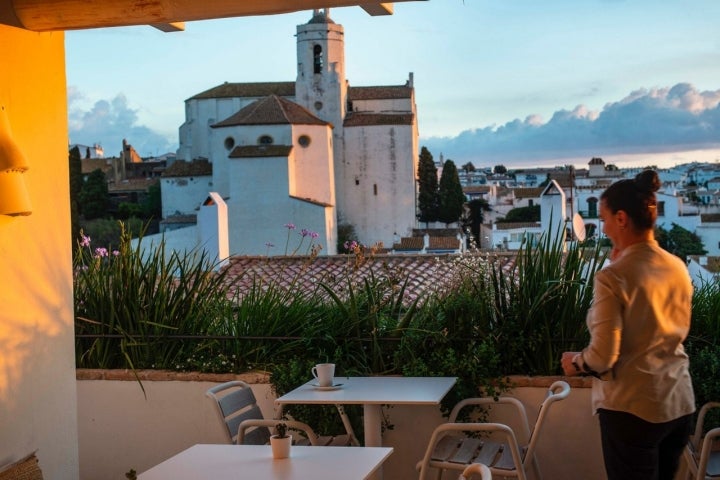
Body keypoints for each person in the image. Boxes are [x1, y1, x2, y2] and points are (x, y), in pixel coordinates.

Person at [561, 169, 695, 480]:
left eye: (606, 219)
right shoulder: (676, 266)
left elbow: (605, 354)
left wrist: (576, 362)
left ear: (621, 219)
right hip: (678, 401)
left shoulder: (613, 277)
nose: (604, 227)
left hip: (633, 409)